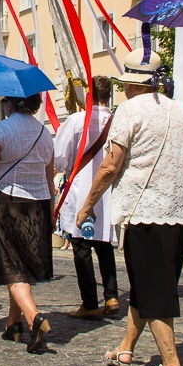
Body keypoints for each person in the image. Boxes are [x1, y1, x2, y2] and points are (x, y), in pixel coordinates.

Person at [77, 48, 183, 366]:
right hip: (179, 213)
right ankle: (126, 349)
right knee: (149, 285)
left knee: (154, 293)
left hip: (144, 212)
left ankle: (172, 364)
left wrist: (87, 205)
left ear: (133, 83)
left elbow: (110, 166)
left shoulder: (129, 110)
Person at [0, 93, 55, 354]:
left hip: (9, 201)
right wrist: (51, 213)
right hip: (39, 202)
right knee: (23, 266)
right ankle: (13, 323)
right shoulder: (44, 133)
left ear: (9, 104)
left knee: (11, 265)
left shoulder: (0, 130)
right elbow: (49, 178)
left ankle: (33, 318)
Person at [56, 75, 119, 320]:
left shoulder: (76, 120)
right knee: (104, 245)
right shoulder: (117, 121)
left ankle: (90, 303)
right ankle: (111, 295)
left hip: (80, 186)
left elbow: (60, 157)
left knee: (81, 246)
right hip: (107, 190)